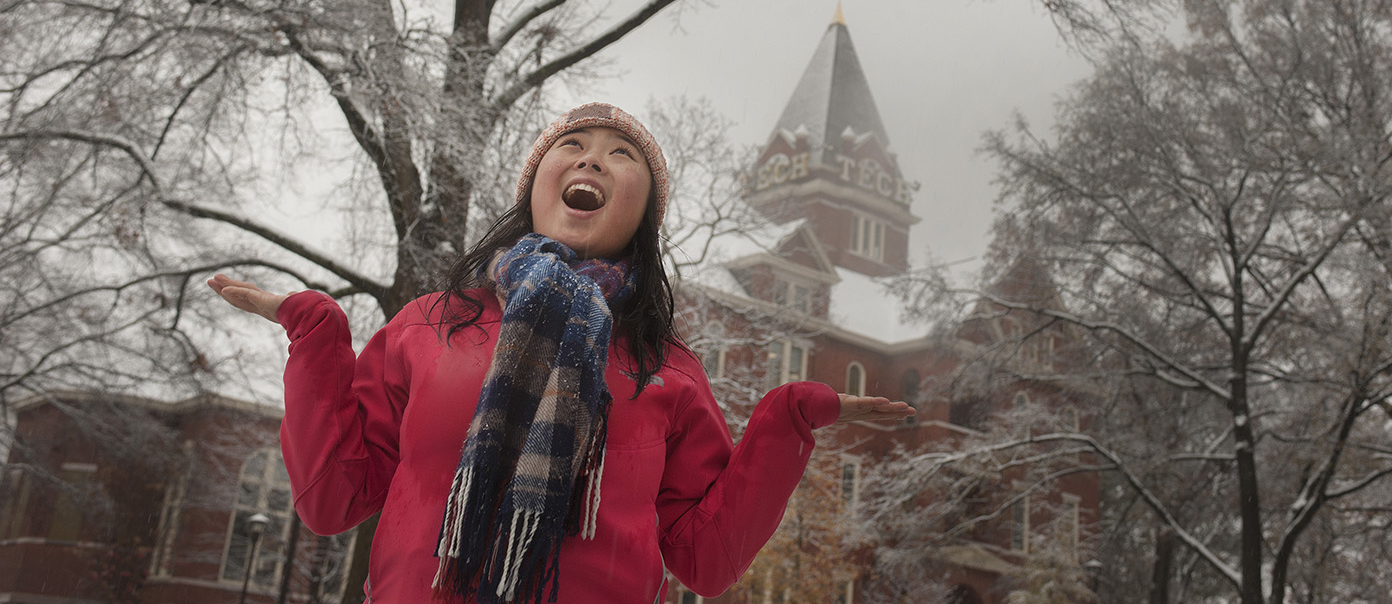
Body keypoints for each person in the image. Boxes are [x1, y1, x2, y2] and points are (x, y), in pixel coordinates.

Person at [209, 102, 912, 604]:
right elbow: (334, 497)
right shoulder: (430, 326)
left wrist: (787, 420)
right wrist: (316, 334)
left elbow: (705, 559)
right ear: (537, 185)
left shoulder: (664, 370)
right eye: (572, 145)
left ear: (642, 215)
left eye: (620, 153)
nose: (592, 158)